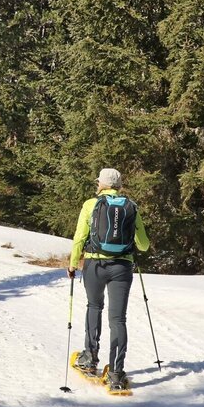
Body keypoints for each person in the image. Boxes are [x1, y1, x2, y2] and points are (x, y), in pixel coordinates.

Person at [67, 168, 150, 392]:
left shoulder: (90, 205)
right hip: (122, 267)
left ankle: (89, 358)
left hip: (95, 265)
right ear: (119, 186)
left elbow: (79, 237)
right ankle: (116, 373)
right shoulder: (131, 207)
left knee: (94, 306)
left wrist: (73, 264)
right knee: (118, 319)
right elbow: (143, 245)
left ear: (101, 184)